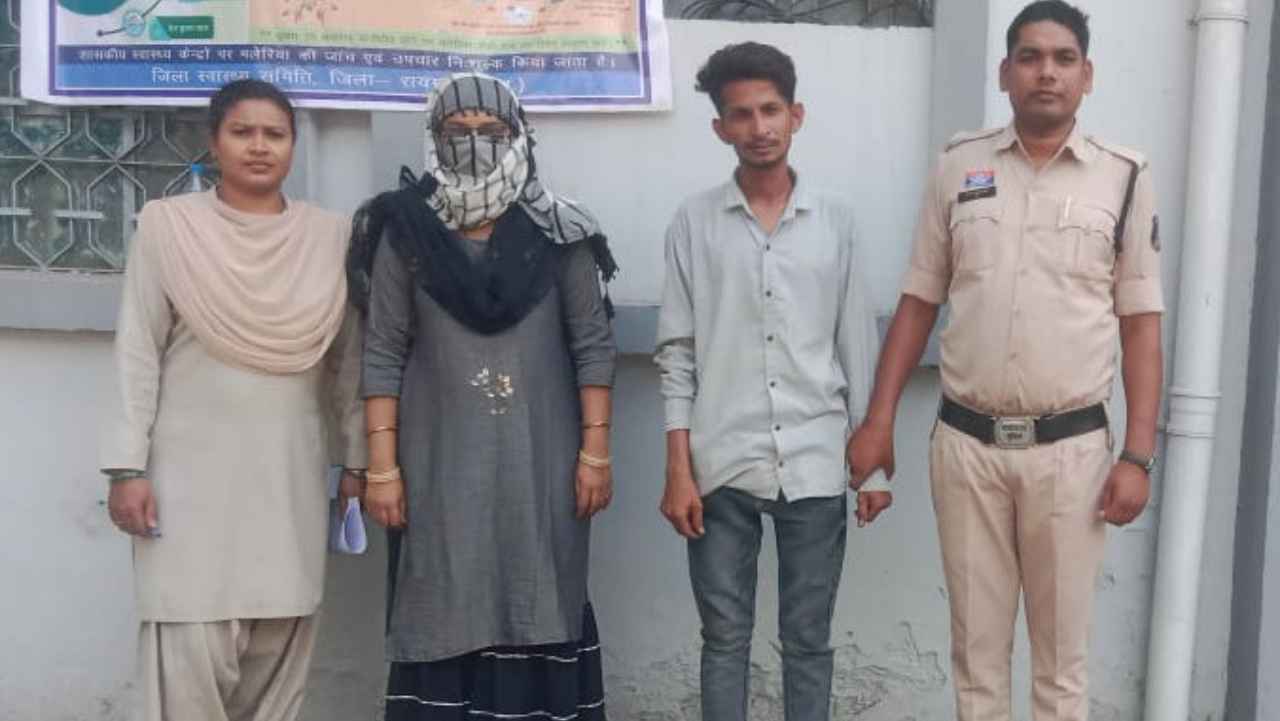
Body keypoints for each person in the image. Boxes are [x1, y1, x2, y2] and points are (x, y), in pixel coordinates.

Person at [847, 3, 1165, 719]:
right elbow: (919, 300)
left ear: (1087, 75)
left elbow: (1141, 325)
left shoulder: (1122, 176)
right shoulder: (960, 166)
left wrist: (1137, 455)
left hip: (1071, 455)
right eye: (1030, 57)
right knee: (977, 662)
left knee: (1060, 670)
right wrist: (878, 419)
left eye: (1063, 58)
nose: (1046, 72)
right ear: (1004, 72)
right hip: (968, 449)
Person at [349, 72, 618, 721]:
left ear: (519, 135)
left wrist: (596, 454)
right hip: (437, 466)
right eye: (457, 130)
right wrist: (381, 468)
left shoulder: (563, 231)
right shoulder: (406, 231)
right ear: (434, 136)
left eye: (492, 130)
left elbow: (592, 344)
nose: (474, 143)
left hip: (542, 464)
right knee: (443, 591)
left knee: (539, 589)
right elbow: (382, 349)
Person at [100, 78, 366, 721]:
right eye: (242, 132)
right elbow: (137, 349)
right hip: (186, 481)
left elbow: (349, 366)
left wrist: (359, 463)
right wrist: (126, 468)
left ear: (294, 146)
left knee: (279, 645)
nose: (259, 146)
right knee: (187, 641)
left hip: (288, 477)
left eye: (275, 134)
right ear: (214, 142)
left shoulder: (330, 239)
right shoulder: (169, 227)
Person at [655, 42, 893, 721]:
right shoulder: (694, 222)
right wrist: (678, 470)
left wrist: (873, 468)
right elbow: (677, 355)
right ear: (720, 128)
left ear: (796, 115)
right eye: (741, 114)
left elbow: (855, 344)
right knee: (724, 639)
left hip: (815, 460)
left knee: (808, 641)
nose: (759, 127)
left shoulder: (836, 220)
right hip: (721, 462)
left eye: (770, 110)